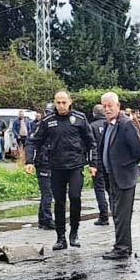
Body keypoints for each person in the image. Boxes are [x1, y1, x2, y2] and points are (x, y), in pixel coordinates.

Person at [31, 90, 95, 250]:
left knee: (75, 197)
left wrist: (94, 163)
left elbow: (91, 142)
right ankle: (61, 237)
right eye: (57, 102)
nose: (60, 106)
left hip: (75, 166)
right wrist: (29, 160)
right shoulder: (48, 120)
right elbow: (34, 141)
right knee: (59, 202)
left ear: (70, 101)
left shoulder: (80, 118)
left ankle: (74, 233)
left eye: (63, 102)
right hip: (56, 167)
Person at [92, 92, 140, 261]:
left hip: (124, 176)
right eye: (104, 106)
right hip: (111, 176)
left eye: (110, 106)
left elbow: (138, 150)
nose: (107, 109)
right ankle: (123, 246)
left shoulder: (126, 124)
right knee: (116, 213)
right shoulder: (109, 125)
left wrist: (125, 164)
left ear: (118, 106)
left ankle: (122, 249)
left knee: (122, 215)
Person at [23, 107, 54, 231]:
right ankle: (47, 219)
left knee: (47, 193)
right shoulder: (39, 127)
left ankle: (43, 219)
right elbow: (30, 144)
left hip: (52, 163)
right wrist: (29, 161)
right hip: (43, 163)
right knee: (47, 193)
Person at [88, 103, 111, 225]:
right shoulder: (109, 124)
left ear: (94, 114)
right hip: (110, 162)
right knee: (110, 188)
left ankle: (103, 216)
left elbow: (90, 145)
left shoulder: (92, 126)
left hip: (97, 162)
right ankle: (116, 212)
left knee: (99, 189)